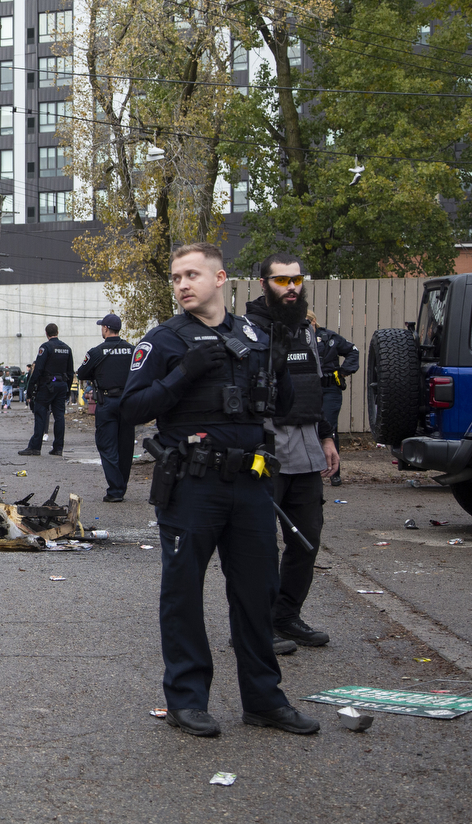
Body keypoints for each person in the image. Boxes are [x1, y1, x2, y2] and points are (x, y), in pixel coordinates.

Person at [120, 242, 318, 738]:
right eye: (176, 277)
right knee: (183, 593)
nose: (183, 284)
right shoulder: (164, 339)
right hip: (192, 485)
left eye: (192, 275)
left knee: (257, 593)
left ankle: (264, 700)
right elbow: (129, 408)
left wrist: (280, 356)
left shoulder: (254, 334)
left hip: (251, 483)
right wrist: (186, 372)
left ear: (220, 278)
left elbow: (285, 404)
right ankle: (188, 700)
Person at [245, 255, 340, 650]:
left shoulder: (305, 328)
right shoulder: (247, 330)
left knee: (307, 539)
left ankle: (285, 616)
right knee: (257, 546)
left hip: (307, 445)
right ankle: (252, 627)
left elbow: (316, 386)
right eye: (282, 279)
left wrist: (327, 436)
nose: (292, 286)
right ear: (264, 283)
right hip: (265, 448)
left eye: (297, 278)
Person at [77, 313, 137, 502]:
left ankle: (116, 490)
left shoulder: (96, 352)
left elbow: (82, 373)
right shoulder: (132, 350)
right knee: (126, 447)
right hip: (128, 403)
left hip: (106, 402)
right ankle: (121, 487)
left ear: (105, 329)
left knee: (107, 446)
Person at [311, 311, 358, 487]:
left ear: (314, 321)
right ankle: (316, 471)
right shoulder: (297, 338)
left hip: (330, 388)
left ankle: (334, 472)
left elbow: (353, 351)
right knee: (312, 427)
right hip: (310, 388)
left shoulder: (329, 337)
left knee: (329, 427)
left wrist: (344, 371)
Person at [18, 324, 74, 456]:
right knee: (59, 416)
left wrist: (30, 390)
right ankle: (58, 447)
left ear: (46, 333)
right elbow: (70, 372)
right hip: (61, 385)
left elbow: (37, 370)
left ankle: (35, 447)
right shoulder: (67, 348)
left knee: (40, 413)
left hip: (47, 386)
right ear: (57, 332)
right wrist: (68, 390)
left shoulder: (46, 347)